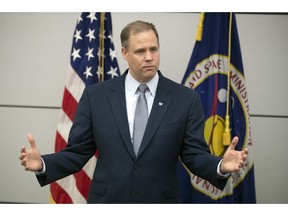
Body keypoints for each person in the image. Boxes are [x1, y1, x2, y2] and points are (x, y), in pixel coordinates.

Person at [19, 20, 248, 203]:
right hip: (108, 202)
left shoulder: (185, 99)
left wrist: (220, 166)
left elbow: (194, 155)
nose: (149, 57)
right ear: (125, 53)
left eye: (154, 49)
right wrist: (43, 164)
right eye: (140, 51)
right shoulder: (95, 96)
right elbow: (78, 152)